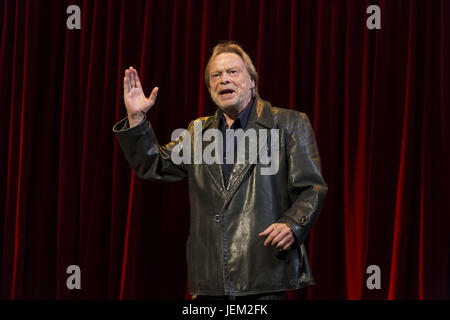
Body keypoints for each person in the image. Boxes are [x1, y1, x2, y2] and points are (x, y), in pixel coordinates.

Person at [113, 41, 327, 300]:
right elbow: (152, 164)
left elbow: (311, 188)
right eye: (216, 75)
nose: (224, 79)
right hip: (211, 279)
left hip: (263, 272)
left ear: (251, 81)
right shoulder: (197, 132)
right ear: (210, 87)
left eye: (233, 72)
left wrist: (292, 224)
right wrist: (136, 118)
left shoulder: (289, 124)